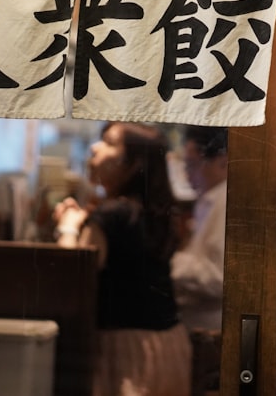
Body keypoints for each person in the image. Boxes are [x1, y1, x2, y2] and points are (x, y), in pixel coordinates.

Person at [54, 121, 191, 396]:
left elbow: (72, 279)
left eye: (109, 142)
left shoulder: (113, 215)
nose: (95, 147)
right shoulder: (154, 212)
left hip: (125, 350)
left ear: (132, 164)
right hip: (168, 345)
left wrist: (68, 226)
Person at [171, 126, 228, 396]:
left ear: (223, 162)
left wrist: (171, 263)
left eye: (192, 164)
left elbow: (220, 278)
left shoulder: (227, 200)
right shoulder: (210, 199)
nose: (186, 173)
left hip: (211, 333)